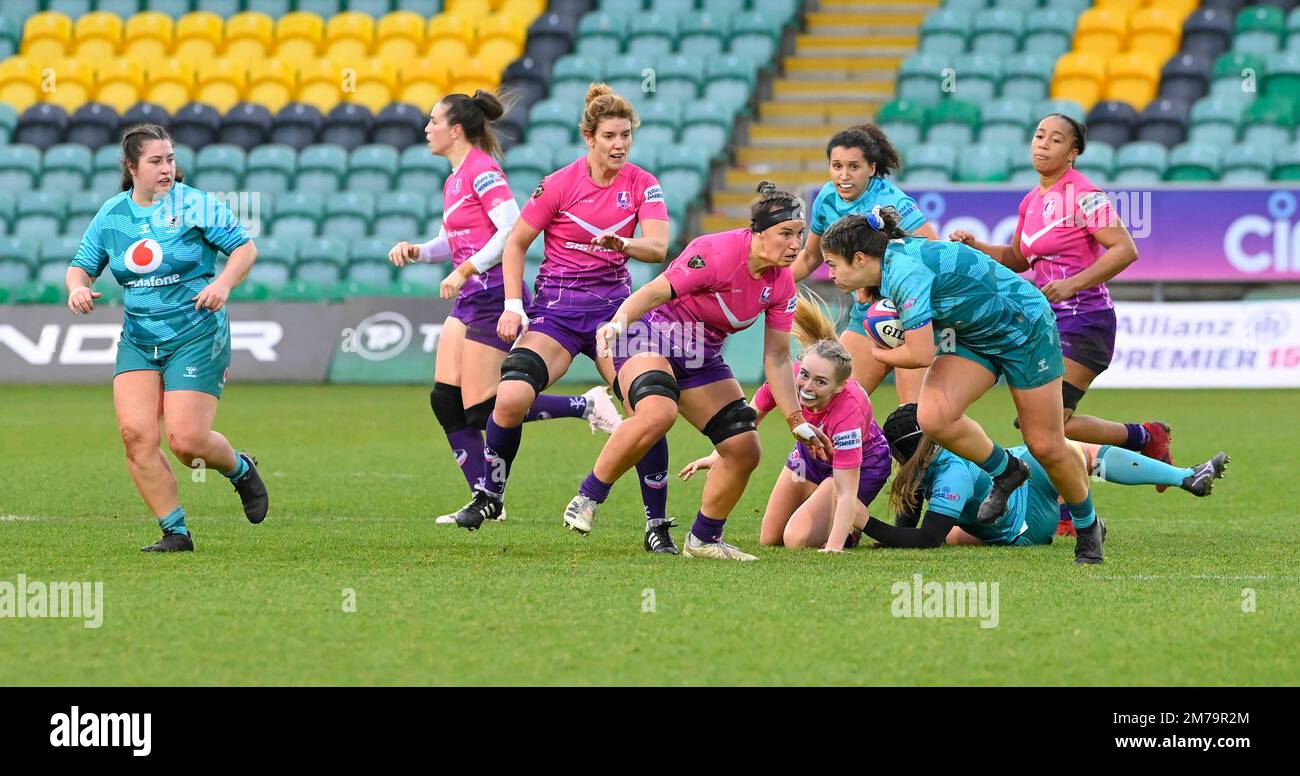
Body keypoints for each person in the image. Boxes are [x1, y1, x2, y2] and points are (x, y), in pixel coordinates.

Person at [559, 182, 833, 560]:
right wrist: (617, 323)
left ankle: (703, 539)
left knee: (744, 447)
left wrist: (795, 419)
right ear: (758, 232)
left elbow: (778, 358)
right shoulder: (716, 252)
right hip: (648, 338)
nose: (795, 245)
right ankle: (587, 498)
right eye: (785, 234)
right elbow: (655, 291)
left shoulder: (781, 281)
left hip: (700, 357)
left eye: (799, 235)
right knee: (658, 412)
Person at [386, 91, 623, 524]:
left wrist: (466, 269)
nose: (427, 128)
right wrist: (419, 251)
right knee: (445, 400)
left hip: (492, 293)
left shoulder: (482, 171)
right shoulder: (455, 176)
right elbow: (453, 241)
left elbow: (510, 229)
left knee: (483, 407)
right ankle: (487, 500)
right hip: (470, 295)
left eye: (434, 120)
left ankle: (584, 407)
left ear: (455, 129)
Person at [819, 209, 1105, 564]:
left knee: (1045, 444)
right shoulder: (889, 260)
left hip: (1025, 327)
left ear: (860, 258)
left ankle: (1088, 526)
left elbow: (920, 354)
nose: (829, 274)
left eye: (833, 264)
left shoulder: (904, 272)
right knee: (934, 417)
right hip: (973, 334)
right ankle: (1008, 470)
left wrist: (878, 354)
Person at [452, 84, 672, 544]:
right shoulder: (558, 184)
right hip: (557, 312)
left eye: (626, 136)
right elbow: (515, 242)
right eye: (610, 135)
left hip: (615, 314)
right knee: (510, 396)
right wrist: (514, 305)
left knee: (647, 405)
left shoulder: (642, 183)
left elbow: (657, 247)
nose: (619, 144)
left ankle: (656, 523)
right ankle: (490, 493)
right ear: (588, 138)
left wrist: (623, 244)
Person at [948, 113, 1168, 535]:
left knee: (1049, 427)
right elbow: (1016, 259)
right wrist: (977, 248)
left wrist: (1072, 285)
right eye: (1038, 136)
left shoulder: (1084, 195)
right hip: (1048, 322)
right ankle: (1138, 441)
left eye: (1055, 139)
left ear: (1074, 152)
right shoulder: (1031, 201)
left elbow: (1124, 249)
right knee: (1047, 428)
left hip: (1085, 320)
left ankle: (1085, 500)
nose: (1042, 144)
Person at [65, 123, 268, 553]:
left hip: (195, 333)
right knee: (136, 435)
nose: (166, 168)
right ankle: (175, 531)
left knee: (186, 441)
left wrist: (223, 285)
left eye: (171, 159)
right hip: (138, 339)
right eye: (156, 161)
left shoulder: (194, 204)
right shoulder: (112, 215)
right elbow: (79, 266)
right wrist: (77, 288)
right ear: (132, 167)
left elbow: (244, 250)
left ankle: (240, 469)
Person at [678, 294, 891, 552]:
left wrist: (834, 547)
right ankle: (825, 516)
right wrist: (718, 454)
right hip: (810, 457)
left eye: (820, 382)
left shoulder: (849, 410)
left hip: (860, 466)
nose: (807, 387)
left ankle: (849, 534)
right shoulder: (787, 379)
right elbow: (750, 416)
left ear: (838, 387)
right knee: (770, 537)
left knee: (796, 539)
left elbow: (846, 491)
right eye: (805, 375)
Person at [861, 404, 1229, 548]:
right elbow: (909, 524)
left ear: (905, 452)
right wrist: (886, 533)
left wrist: (865, 524)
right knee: (1077, 454)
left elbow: (925, 538)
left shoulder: (950, 473)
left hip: (1026, 520)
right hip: (1021, 491)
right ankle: (1184, 476)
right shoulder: (932, 465)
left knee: (1069, 451)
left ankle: (1184, 477)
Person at [790, 125, 939, 402]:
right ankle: (866, 447)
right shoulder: (826, 198)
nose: (844, 176)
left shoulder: (892, 201)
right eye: (837, 166)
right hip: (867, 316)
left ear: (871, 168)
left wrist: (880, 282)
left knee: (915, 420)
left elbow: (930, 252)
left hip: (909, 315)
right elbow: (811, 256)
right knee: (834, 401)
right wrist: (774, 285)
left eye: (853, 167)